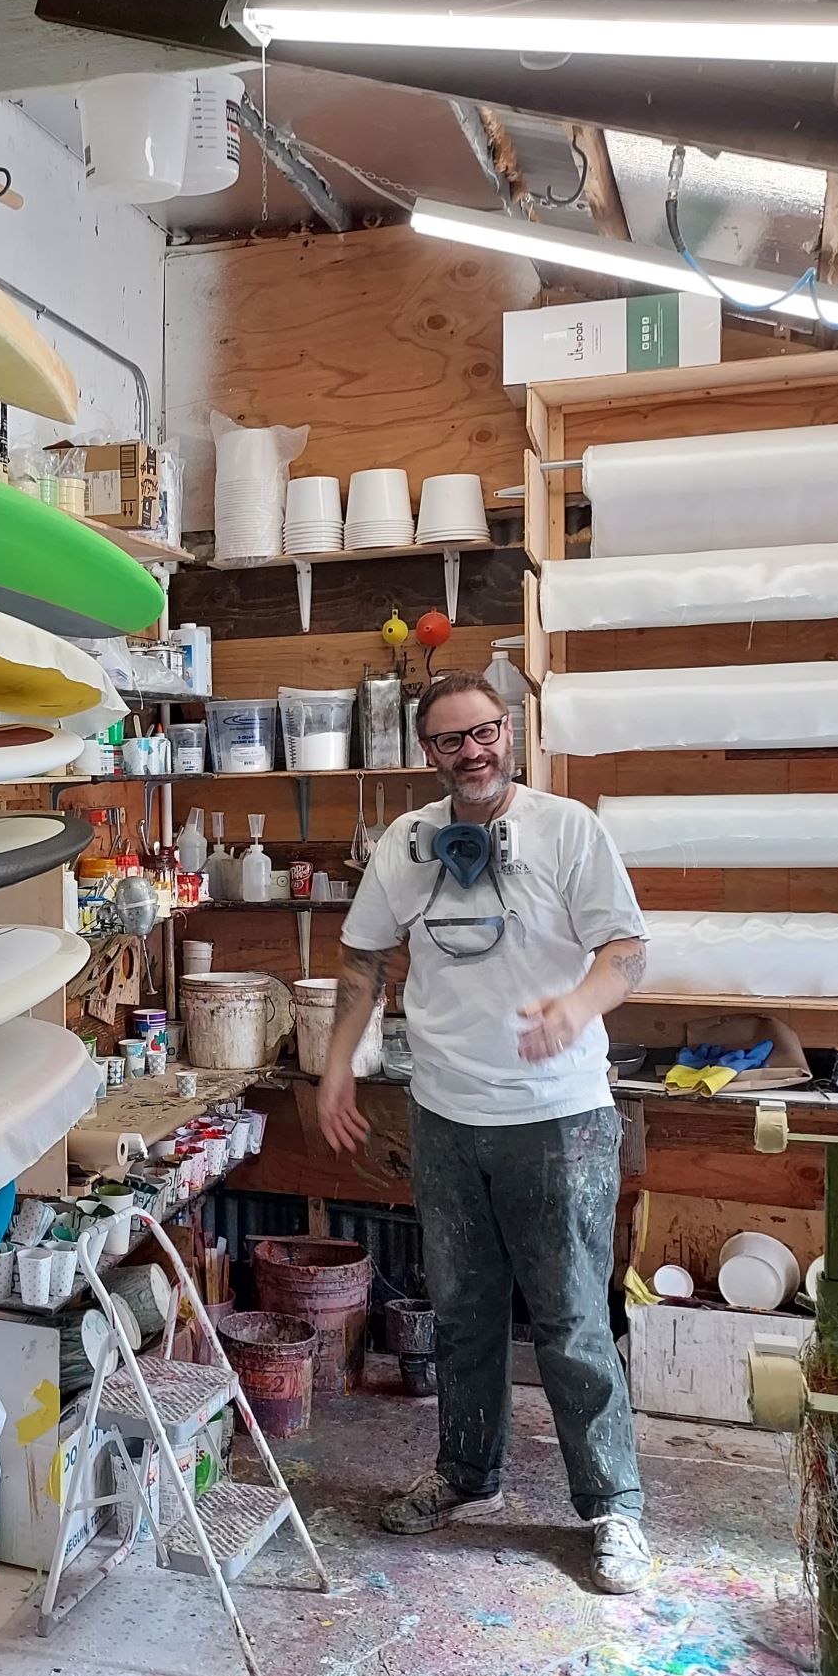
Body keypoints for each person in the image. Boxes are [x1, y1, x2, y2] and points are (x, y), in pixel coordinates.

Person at [315, 667, 653, 1595]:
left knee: (574, 1319)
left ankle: (614, 1508)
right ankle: (468, 1473)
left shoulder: (567, 829)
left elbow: (627, 947)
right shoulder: (410, 840)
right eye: (450, 739)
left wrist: (579, 1006)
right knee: (461, 1313)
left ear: (511, 732)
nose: (472, 751)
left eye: (485, 732)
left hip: (558, 1117)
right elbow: (361, 956)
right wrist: (339, 1060)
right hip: (447, 1114)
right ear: (427, 752)